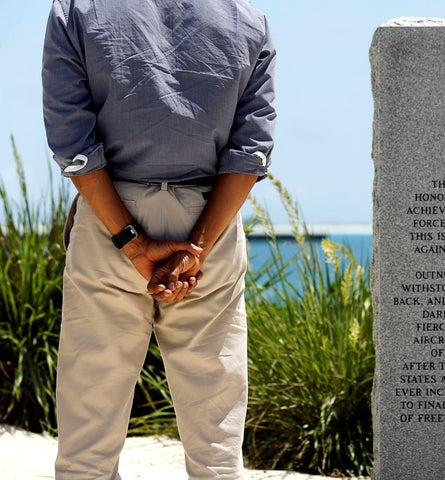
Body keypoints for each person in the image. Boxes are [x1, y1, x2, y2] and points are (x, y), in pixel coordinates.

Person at [42, 0, 276, 478]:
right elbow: (251, 150)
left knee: (88, 440)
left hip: (111, 216)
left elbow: (72, 141)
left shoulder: (75, 9)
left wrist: (131, 241)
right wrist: (196, 250)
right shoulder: (247, 16)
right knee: (216, 445)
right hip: (208, 221)